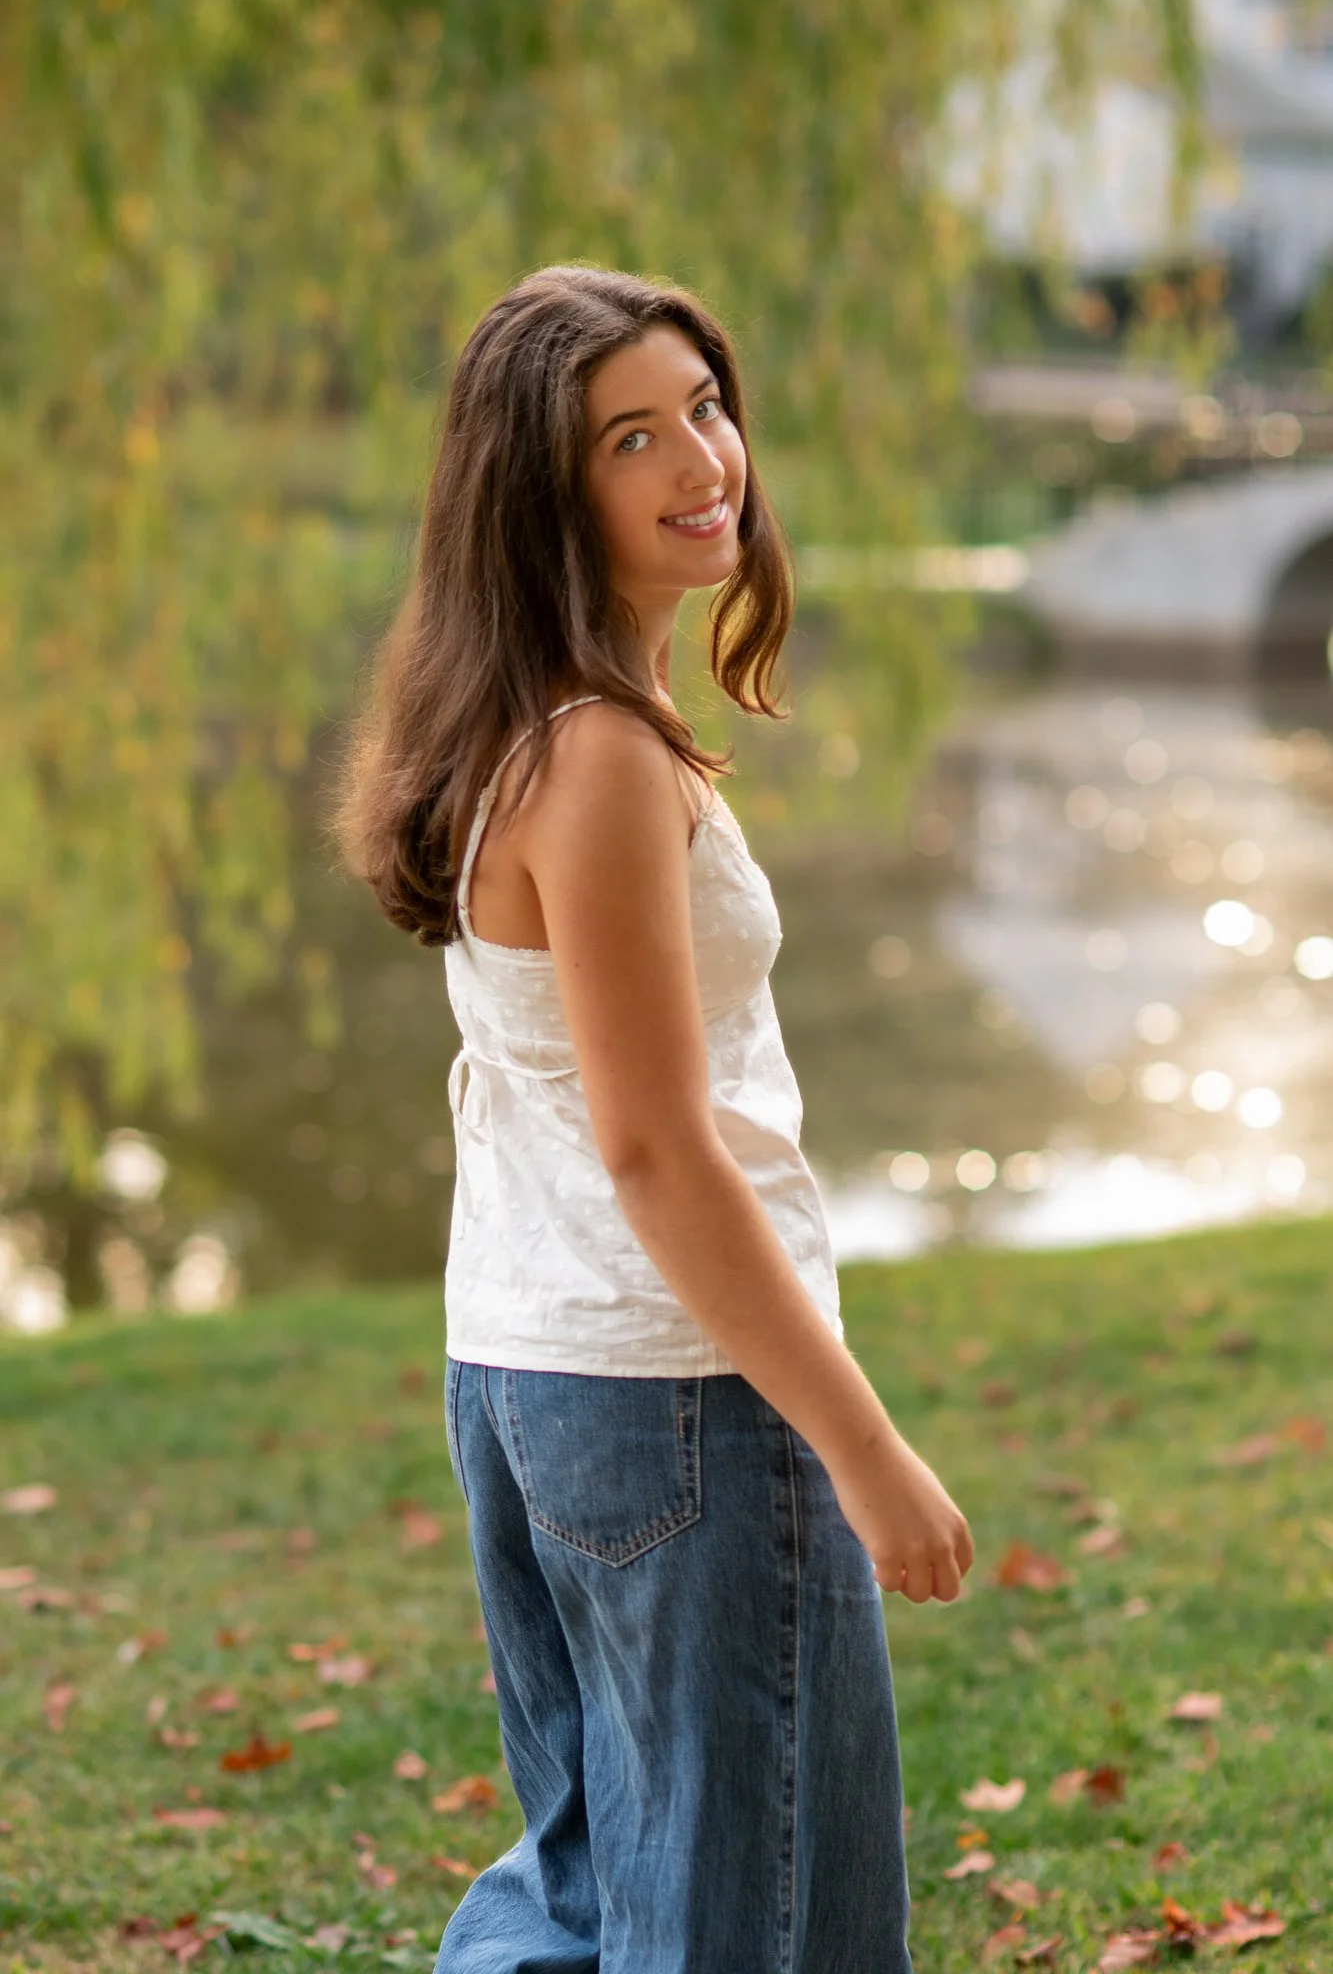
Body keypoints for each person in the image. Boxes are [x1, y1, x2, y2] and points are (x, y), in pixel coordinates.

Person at [336, 264, 973, 1974]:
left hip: (532, 1370)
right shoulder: (602, 757)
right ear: (546, 491)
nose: (704, 460)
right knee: (742, 1917)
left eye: (703, 406)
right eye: (634, 436)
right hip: (676, 1392)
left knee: (592, 1887)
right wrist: (862, 1447)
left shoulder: (506, 718)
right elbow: (654, 1147)